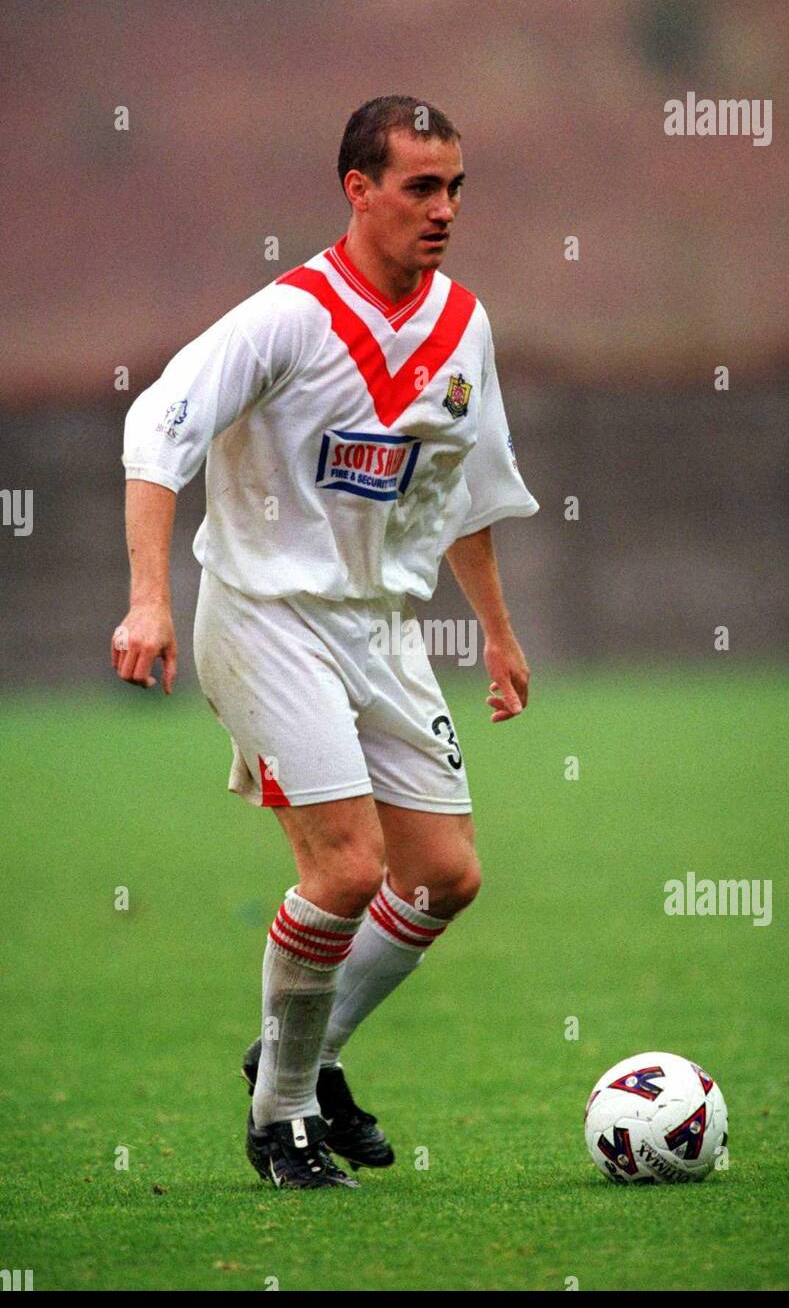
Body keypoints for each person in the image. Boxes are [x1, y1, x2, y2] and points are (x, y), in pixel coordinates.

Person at [112, 95, 539, 1190]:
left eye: (454, 188)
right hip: (263, 616)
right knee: (346, 869)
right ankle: (282, 1118)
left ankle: (297, 1052)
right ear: (357, 190)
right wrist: (147, 600)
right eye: (418, 187)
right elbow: (158, 425)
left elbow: (467, 491)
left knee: (444, 875)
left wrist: (495, 632)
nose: (443, 209)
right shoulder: (288, 317)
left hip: (380, 628)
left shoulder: (460, 325)